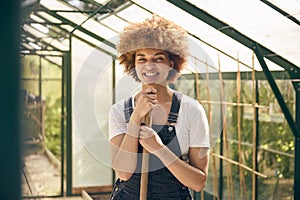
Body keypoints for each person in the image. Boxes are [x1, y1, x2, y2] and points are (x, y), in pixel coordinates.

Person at [109, 15, 210, 200]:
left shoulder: (192, 110)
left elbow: (198, 182)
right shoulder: (119, 111)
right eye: (142, 59)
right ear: (133, 65)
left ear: (171, 64)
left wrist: (159, 148)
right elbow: (123, 173)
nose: (149, 65)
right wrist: (135, 118)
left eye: (158, 58)